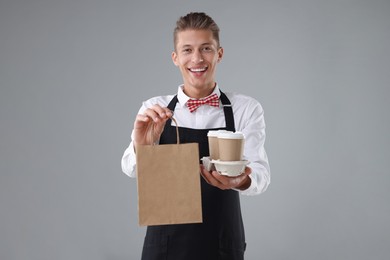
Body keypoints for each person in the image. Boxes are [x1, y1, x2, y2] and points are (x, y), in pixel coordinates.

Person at [121, 12, 270, 260]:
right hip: (164, 246)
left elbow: (261, 174)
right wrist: (142, 144)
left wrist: (239, 181)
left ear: (219, 54)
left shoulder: (246, 108)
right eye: (187, 50)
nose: (197, 58)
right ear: (175, 58)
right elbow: (130, 168)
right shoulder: (154, 109)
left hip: (222, 243)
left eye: (206, 49)